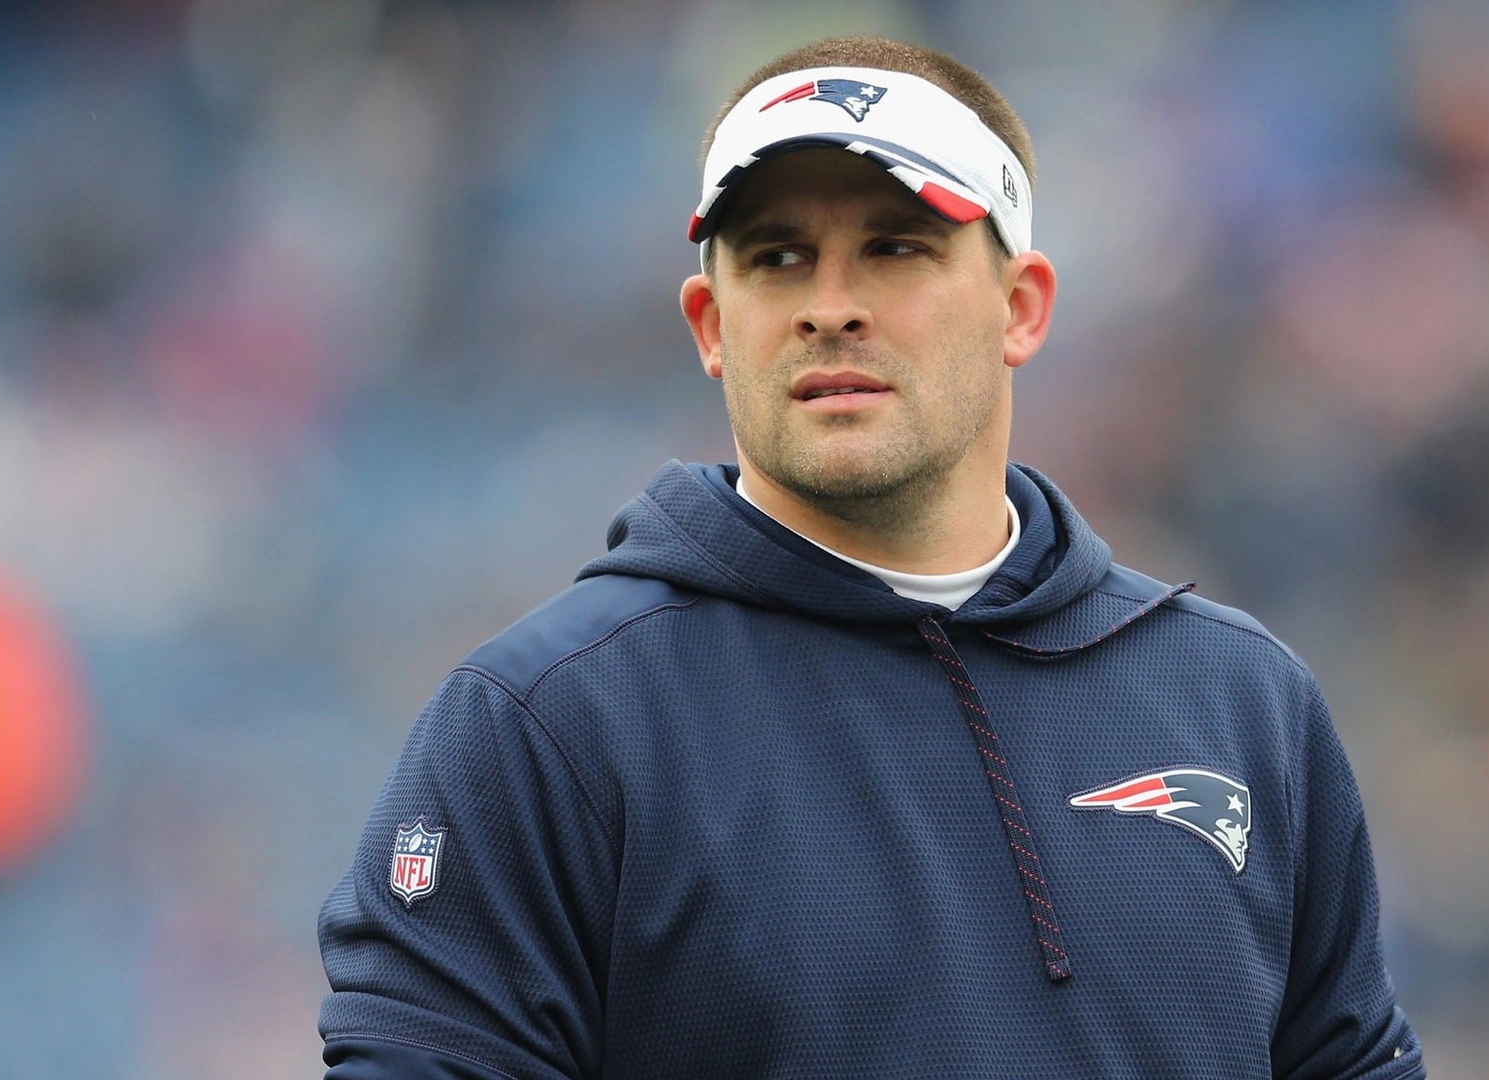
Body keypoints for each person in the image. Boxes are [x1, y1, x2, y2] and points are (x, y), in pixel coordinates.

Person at [317, 35, 1425, 1080]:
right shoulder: (551, 722)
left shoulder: (1238, 699)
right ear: (711, 326)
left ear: (1021, 308)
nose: (831, 308)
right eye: (778, 258)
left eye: (896, 248)